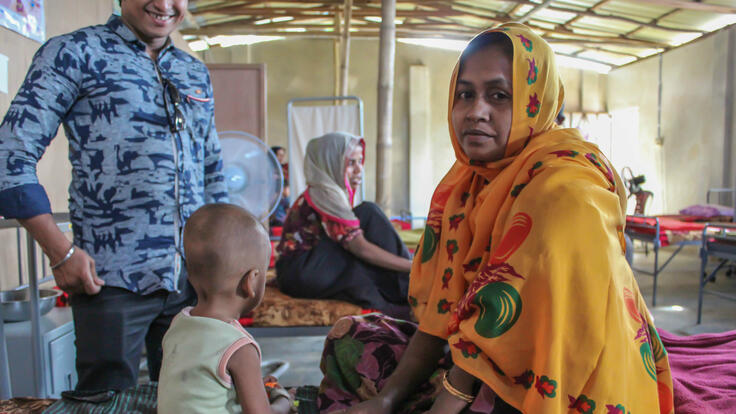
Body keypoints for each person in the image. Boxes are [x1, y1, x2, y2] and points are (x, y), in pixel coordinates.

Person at [319, 24, 674, 414]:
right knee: (349, 337)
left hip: (563, 373)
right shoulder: (466, 184)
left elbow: (505, 329)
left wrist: (444, 405)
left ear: (538, 102)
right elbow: (442, 313)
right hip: (473, 360)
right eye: (465, 94)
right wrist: (388, 400)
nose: (476, 112)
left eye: (500, 96)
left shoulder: (564, 189)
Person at [0, 0, 228, 393]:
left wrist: (228, 260)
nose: (163, 4)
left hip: (193, 280)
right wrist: (61, 253)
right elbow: (9, 157)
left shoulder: (193, 72)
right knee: (104, 400)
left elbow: (212, 169)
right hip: (109, 280)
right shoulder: (74, 52)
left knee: (194, 398)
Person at [158, 203, 294, 414]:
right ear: (250, 282)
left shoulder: (178, 324)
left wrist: (253, 385)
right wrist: (283, 400)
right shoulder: (239, 346)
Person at [275, 132, 412, 318]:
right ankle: (410, 288)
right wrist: (412, 266)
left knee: (366, 225)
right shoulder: (323, 194)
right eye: (351, 163)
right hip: (299, 273)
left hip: (305, 268)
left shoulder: (327, 191)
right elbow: (360, 248)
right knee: (368, 215)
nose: (359, 169)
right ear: (331, 163)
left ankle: (406, 291)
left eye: (360, 161)